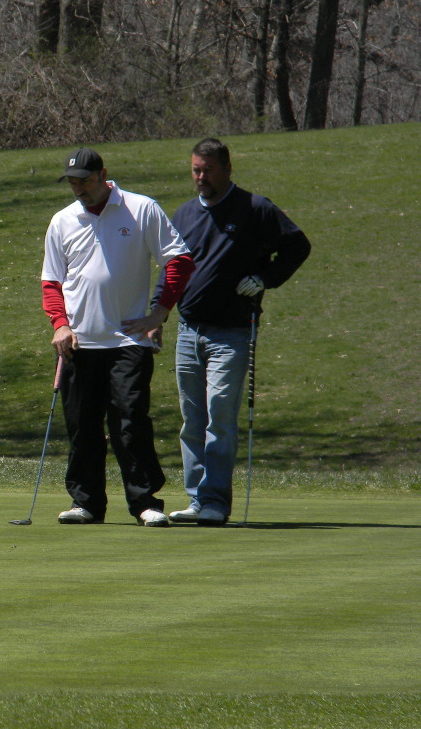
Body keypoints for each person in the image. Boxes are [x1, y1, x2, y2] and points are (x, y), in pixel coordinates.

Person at [42, 148, 195, 527]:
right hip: (79, 343)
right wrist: (60, 324)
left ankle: (145, 502)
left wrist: (159, 312)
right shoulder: (62, 220)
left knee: (130, 424)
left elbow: (178, 260)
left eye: (85, 181)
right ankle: (86, 502)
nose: (79, 189)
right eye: (73, 182)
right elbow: (51, 282)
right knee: (82, 426)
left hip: (128, 341)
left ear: (103, 174)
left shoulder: (140, 209)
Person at [162, 138, 310, 526]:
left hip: (232, 332)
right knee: (191, 421)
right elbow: (173, 268)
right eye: (195, 169)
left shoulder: (255, 208)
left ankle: (214, 502)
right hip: (189, 330)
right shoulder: (184, 214)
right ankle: (196, 499)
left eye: (208, 169)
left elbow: (298, 246)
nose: (201, 177)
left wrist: (264, 278)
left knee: (219, 418)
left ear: (227, 168)